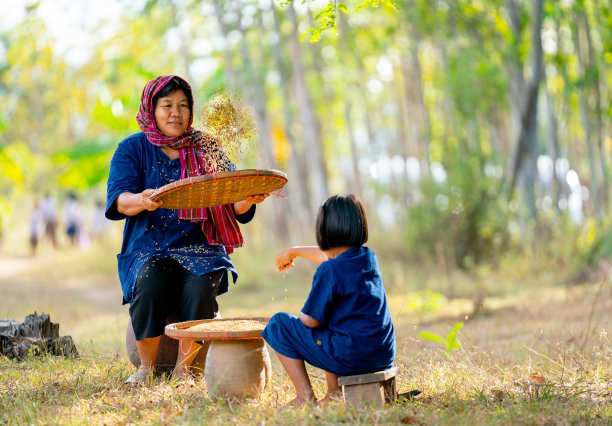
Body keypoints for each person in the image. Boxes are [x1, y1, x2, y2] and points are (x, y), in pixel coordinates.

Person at [105, 75, 269, 385]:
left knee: (200, 286)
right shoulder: (131, 149)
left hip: (201, 246)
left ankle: (187, 371)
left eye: (182, 105)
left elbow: (234, 203)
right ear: (151, 109)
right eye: (166, 105)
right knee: (150, 280)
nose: (175, 113)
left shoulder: (208, 147)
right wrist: (141, 199)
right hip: (148, 247)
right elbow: (119, 201)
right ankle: (146, 369)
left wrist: (247, 199)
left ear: (190, 110)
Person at [262, 194, 396, 406]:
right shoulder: (368, 257)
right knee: (335, 321)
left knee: (279, 324)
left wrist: (303, 318)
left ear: (323, 229)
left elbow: (309, 322)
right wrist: (293, 251)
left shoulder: (330, 270)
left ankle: (304, 396)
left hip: (352, 357)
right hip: (382, 354)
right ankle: (334, 392)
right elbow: (333, 256)